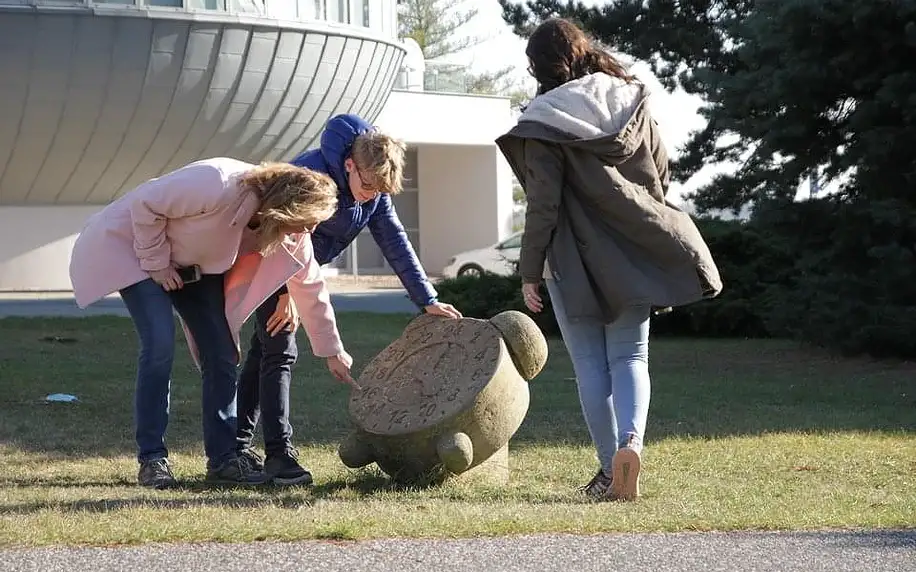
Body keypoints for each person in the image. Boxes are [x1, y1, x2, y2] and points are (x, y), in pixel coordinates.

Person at [495, 19, 722, 501]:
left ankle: (606, 471)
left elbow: (543, 204)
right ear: (582, 52)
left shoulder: (543, 121)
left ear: (540, 67)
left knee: (590, 365)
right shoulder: (631, 102)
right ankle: (631, 444)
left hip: (573, 259)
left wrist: (529, 269)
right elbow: (660, 170)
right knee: (631, 354)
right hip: (632, 251)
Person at [69, 158, 355, 489]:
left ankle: (223, 461)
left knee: (221, 352)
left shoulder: (290, 234)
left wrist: (333, 351)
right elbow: (146, 203)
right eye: (307, 221)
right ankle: (153, 459)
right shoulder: (217, 182)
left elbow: (311, 286)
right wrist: (156, 263)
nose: (310, 231)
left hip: (193, 267)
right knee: (159, 344)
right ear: (287, 207)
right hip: (139, 252)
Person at [235, 114, 462, 485]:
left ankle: (237, 445)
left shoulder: (374, 194)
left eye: (380, 191)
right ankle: (279, 457)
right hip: (271, 260)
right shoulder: (310, 175)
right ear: (349, 165)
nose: (371, 195)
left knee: (264, 351)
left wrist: (427, 299)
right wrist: (286, 290)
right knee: (280, 350)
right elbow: (279, 230)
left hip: (298, 272)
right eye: (368, 185)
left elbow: (394, 241)